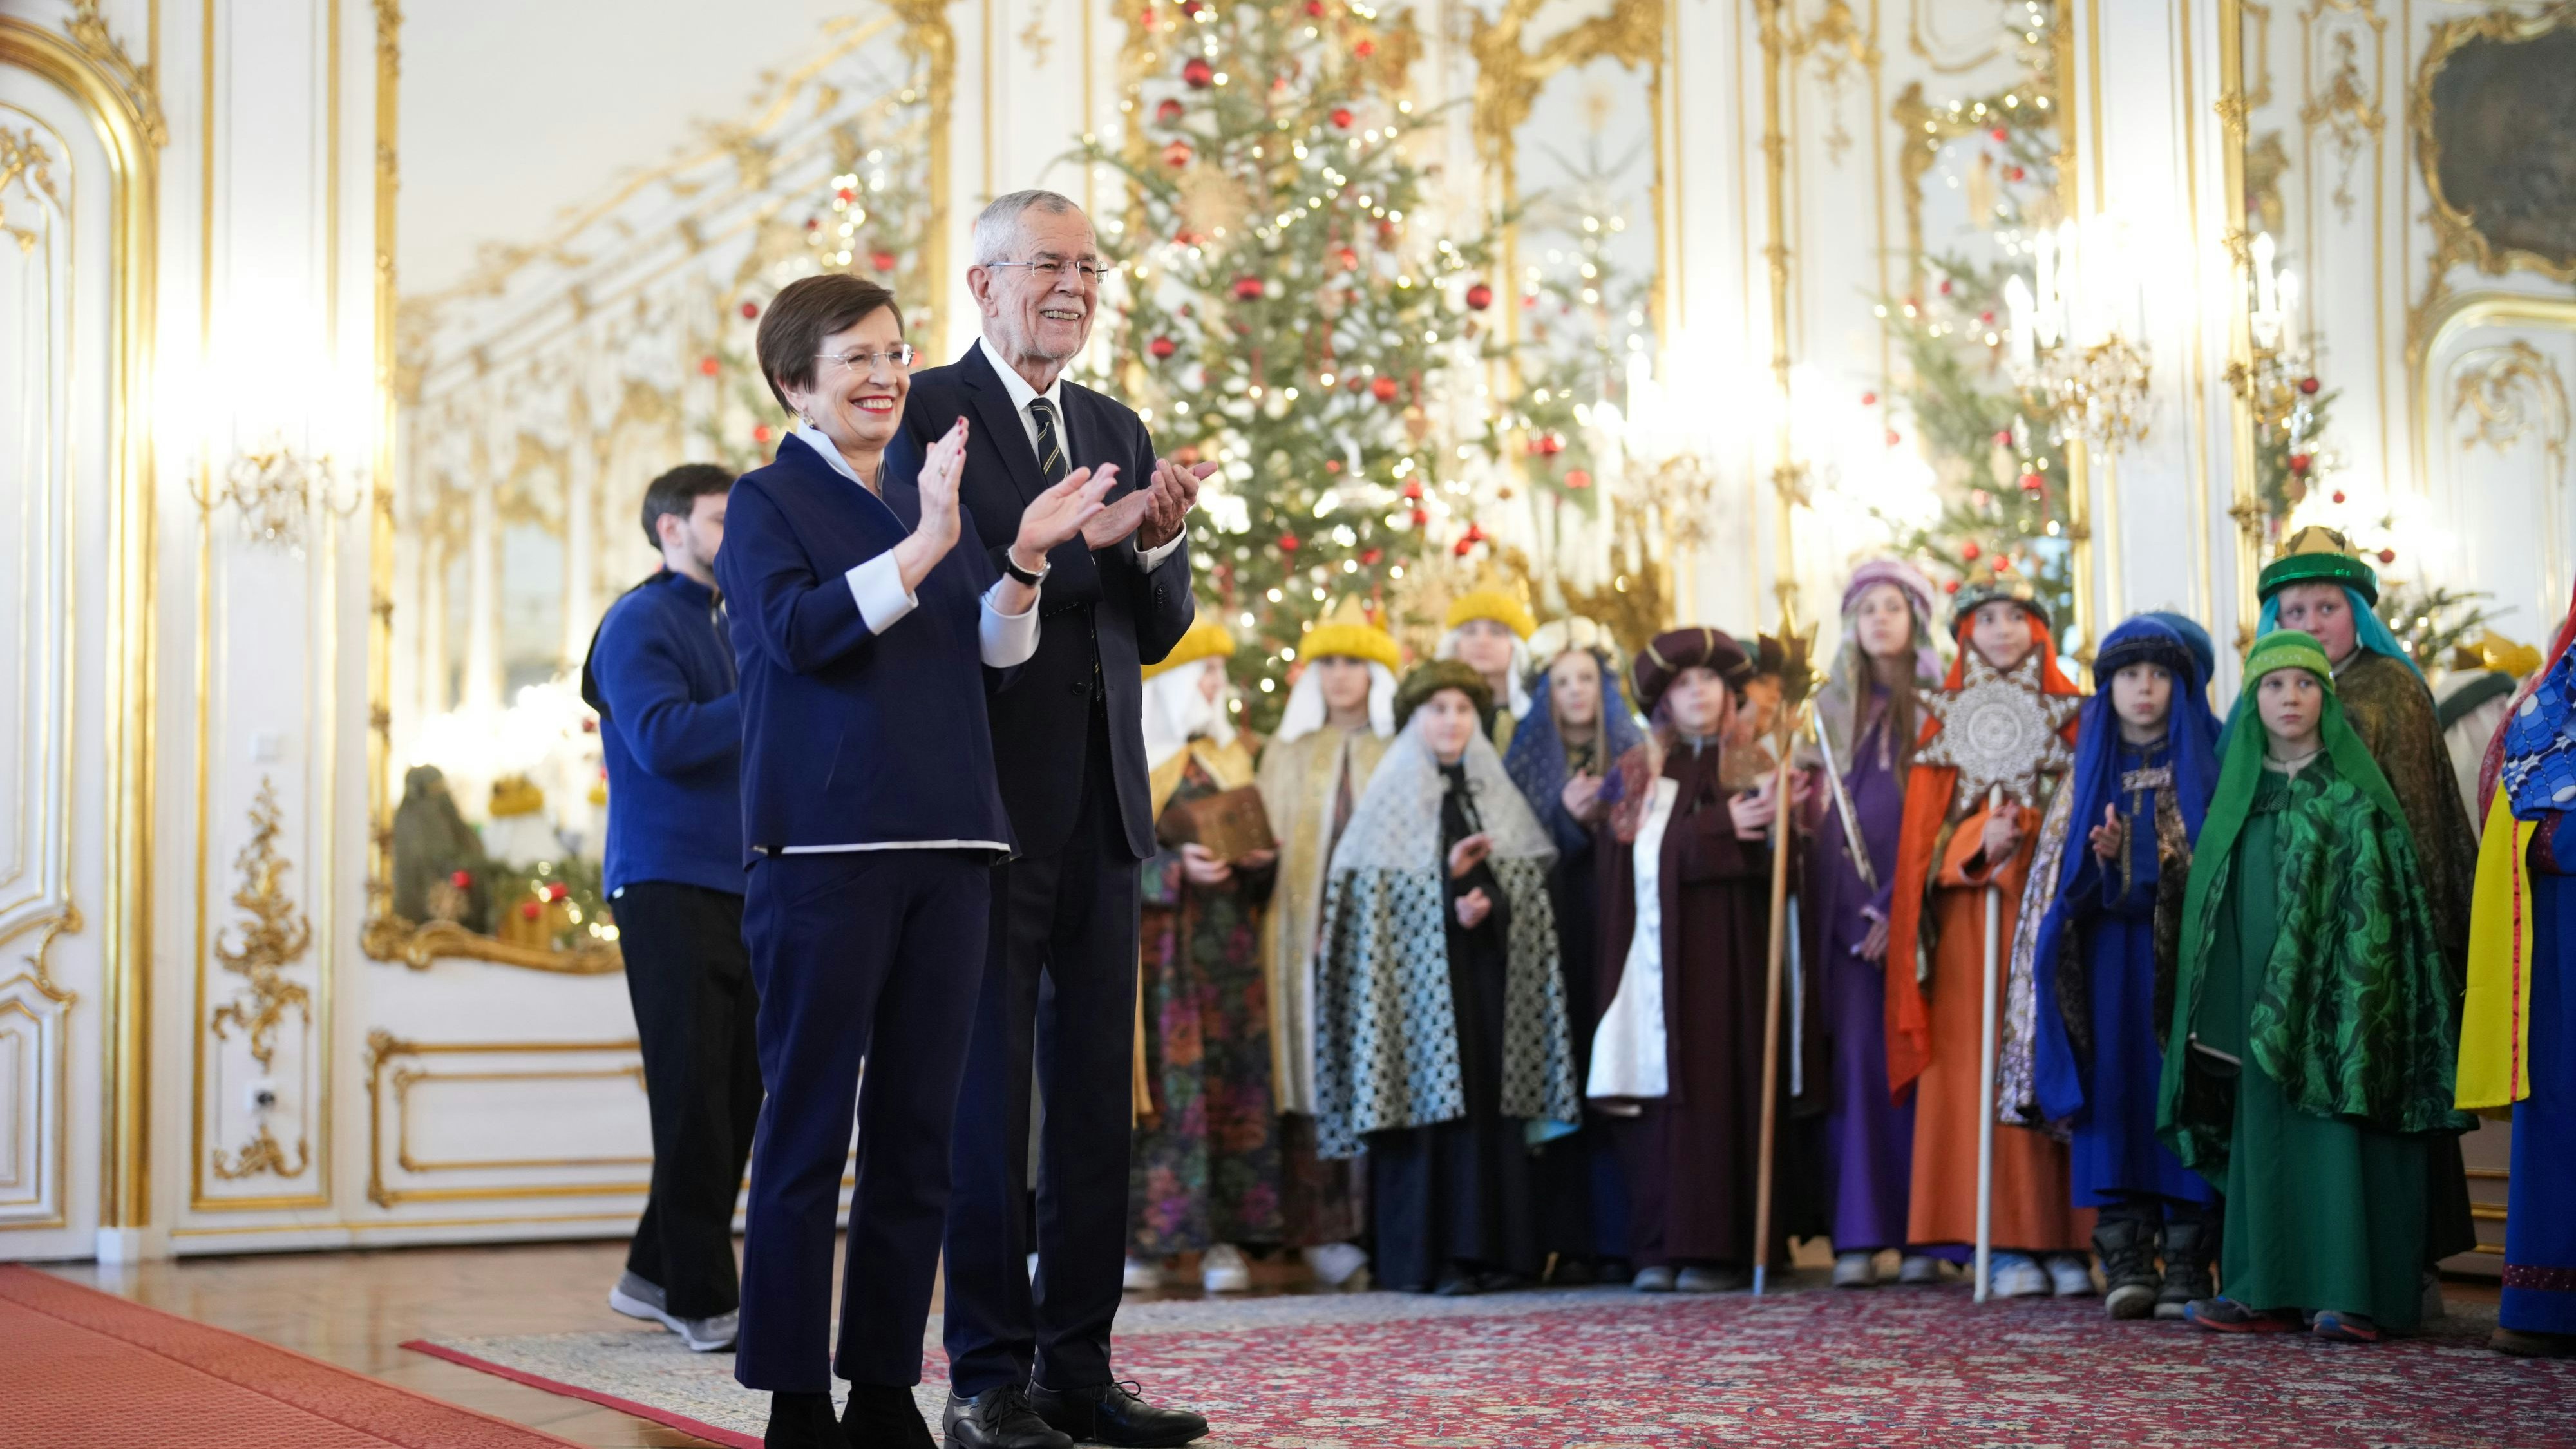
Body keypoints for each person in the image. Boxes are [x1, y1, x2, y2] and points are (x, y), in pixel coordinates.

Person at [717, 274, 1117, 1449]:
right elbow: (796, 636)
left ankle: (885, 1389)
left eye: (895, 353)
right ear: (795, 383)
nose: (887, 376)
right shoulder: (767, 503)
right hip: (825, 852)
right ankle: (797, 1396)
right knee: (806, 1136)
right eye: (856, 358)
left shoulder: (912, 493)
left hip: (956, 847)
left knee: (917, 1142)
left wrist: (1022, 558)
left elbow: (991, 654)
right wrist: (937, 541)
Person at [885, 189, 1211, 1449]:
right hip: (981, 813)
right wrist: (1079, 547)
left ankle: (1080, 1369)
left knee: (1088, 1109)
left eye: (1088, 267)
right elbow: (950, 601)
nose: (1073, 286)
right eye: (1046, 266)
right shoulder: (926, 414)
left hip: (1105, 811)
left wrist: (1152, 543)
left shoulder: (1115, 424)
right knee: (987, 1107)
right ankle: (986, 1377)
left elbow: (1154, 630)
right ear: (983, 283)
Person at [2162, 630, 2470, 1343]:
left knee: (2339, 1133)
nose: (2290, 697)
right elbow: (2211, 912)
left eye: (2306, 684)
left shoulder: (2357, 800)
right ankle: (2260, 1287)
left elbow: (2385, 918)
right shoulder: (2240, 802)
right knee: (2265, 1133)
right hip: (2254, 1005)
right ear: (2252, 703)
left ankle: (2351, 1293)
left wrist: (2349, 998)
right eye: (2273, 685)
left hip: (2344, 1009)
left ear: (2326, 701)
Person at [1312, 660, 1580, 1294]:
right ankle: (1433, 1259)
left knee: (1489, 1108)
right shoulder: (1392, 798)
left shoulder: (1494, 794)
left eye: (1462, 710)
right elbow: (1371, 910)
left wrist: (1489, 902)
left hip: (1487, 984)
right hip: (1413, 1004)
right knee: (1430, 1120)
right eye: (1438, 710)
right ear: (1416, 719)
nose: (1451, 722)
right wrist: (1444, 888)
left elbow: (1528, 889)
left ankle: (1501, 1253)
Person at [2256, 526, 2481, 1280]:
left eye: (2326, 607)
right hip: (2290, 924)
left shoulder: (2392, 688)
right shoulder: (2272, 693)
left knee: (2379, 1079)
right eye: (2295, 611)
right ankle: (2304, 1259)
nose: (2312, 623)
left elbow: (2419, 813)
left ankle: (2395, 1264)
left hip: (2377, 925)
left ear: (2357, 612)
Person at [581, 462, 761, 1354]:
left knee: (737, 1094)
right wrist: (768, 690)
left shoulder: (737, 621)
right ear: (671, 530)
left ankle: (652, 1273)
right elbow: (661, 740)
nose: (737, 535)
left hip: (745, 882)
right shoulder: (638, 621)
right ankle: (700, 1295)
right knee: (693, 1095)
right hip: (664, 882)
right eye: (722, 520)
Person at [1882, 572, 2094, 1299]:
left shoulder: (2074, 719)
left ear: (2039, 631)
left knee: (2051, 1063)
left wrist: (2033, 830)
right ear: (1965, 635)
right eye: (1987, 618)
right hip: (1973, 931)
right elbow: (1922, 847)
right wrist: (1979, 841)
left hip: (2052, 925)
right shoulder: (1941, 727)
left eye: (2016, 617)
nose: (2002, 630)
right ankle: (1998, 1242)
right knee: (1979, 1074)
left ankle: (2066, 1239)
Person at [2003, 613, 2221, 1320]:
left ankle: (2188, 1262)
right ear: (2109, 688)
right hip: (2106, 970)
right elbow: (2059, 889)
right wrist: (2101, 867)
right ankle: (2126, 1259)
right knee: (2116, 1096)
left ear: (2180, 685)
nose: (2144, 688)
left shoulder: (2207, 761)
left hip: (2182, 970)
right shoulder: (2087, 772)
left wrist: (2142, 858)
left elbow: (2214, 868)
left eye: (2159, 674)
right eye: (2129, 675)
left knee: (2179, 1093)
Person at [1589, 629, 1803, 1292]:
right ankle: (1658, 1247)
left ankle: (1721, 1248)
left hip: (1736, 959)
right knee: (1663, 1097)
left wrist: (1785, 831)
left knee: (1728, 1084)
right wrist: (1717, 829)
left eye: (1709, 680)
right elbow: (1621, 866)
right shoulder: (1637, 770)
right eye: (1684, 684)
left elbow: (1788, 870)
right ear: (1664, 701)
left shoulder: (1756, 762)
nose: (1699, 693)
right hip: (1656, 963)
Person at [1126, 619, 1283, 1295]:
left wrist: (1258, 862)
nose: (1218, 684)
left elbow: (1259, 853)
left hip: (1229, 959)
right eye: (1207, 672)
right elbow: (1111, 854)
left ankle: (1224, 1240)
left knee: (1231, 1086)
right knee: (1163, 1092)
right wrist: (1172, 868)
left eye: (1220, 671)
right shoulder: (1135, 754)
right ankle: (1148, 1241)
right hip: (1158, 961)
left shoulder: (1230, 759)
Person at [1803, 562, 1946, 1289]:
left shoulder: (1940, 708)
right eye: (1867, 609)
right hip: (1844, 926)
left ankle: (1926, 1232)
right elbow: (1813, 821)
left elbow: (1947, 813)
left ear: (1914, 618)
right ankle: (1859, 1233)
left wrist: (1900, 905)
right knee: (1857, 1069)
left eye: (1893, 606)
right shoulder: (1825, 713)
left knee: (1922, 1068)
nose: (1880, 619)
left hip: (1922, 913)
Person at [1251, 598, 1400, 1291]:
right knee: (1312, 1066)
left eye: (1354, 663)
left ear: (1375, 674)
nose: (1341, 676)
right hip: (1298, 940)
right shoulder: (1286, 753)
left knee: (1377, 1061)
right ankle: (1319, 1232)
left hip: (1381, 940)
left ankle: (1383, 1226)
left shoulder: (1398, 749)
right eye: (1330, 664)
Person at [1504, 616, 1645, 1284]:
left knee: (1618, 1077)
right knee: (1564, 1083)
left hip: (1620, 932)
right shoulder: (1525, 763)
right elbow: (1518, 847)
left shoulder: (1635, 756)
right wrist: (1566, 818)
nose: (1576, 691)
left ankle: (1621, 1239)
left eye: (1586, 678)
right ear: (1547, 694)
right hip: (1553, 939)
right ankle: (1569, 1240)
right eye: (1562, 682)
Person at [2461, 587, 2576, 1358]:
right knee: (2561, 1097)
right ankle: (2546, 1304)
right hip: (2560, 933)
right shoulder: (2552, 695)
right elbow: (2516, 805)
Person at [1435, 571, 1538, 750]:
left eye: (1496, 632)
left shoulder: (1538, 707)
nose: (1482, 641)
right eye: (1470, 631)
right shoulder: (1435, 712)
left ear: (1516, 645)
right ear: (1455, 644)